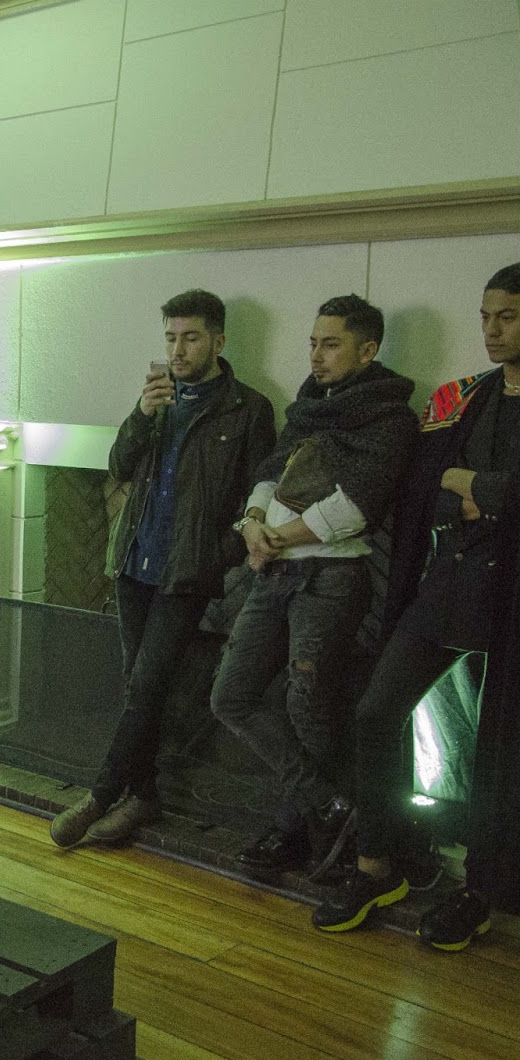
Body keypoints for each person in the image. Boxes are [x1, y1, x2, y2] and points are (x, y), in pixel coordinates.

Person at [312, 263, 520, 943]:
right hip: (448, 584)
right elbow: (425, 489)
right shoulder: (467, 396)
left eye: (507, 317)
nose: (491, 330)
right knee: (376, 715)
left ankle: (480, 890)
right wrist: (474, 492)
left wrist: (477, 486)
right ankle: (378, 866)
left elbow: (478, 488)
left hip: (510, 599)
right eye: (485, 316)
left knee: (498, 750)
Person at [51, 291, 276, 848]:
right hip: (135, 560)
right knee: (139, 686)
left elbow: (259, 492)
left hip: (187, 572)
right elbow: (118, 466)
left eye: (191, 337)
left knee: (147, 684)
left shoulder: (248, 409)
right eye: (171, 338)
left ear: (218, 340)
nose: (178, 349)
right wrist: (142, 414)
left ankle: (101, 794)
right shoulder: (157, 400)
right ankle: (143, 796)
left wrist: (217, 554)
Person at [211, 295, 419, 875]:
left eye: (331, 345)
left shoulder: (390, 416)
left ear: (367, 350)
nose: (316, 356)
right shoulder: (307, 406)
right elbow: (271, 473)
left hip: (332, 578)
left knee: (309, 708)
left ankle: (297, 831)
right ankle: (330, 804)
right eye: (312, 343)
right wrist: (253, 523)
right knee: (230, 696)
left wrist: (277, 537)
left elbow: (358, 504)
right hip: (275, 571)